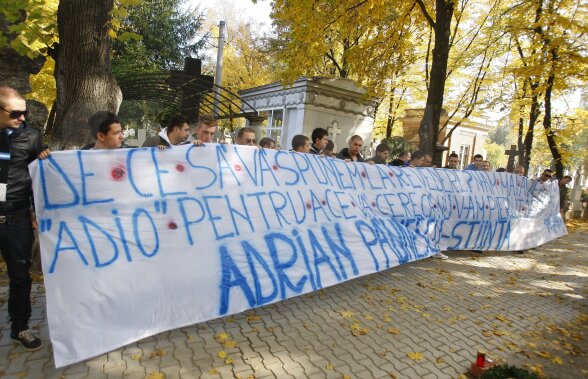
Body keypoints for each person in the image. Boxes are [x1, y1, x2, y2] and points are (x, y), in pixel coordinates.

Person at [0, 85, 50, 351]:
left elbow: (39, 176)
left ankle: (20, 328)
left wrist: (35, 211)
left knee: (20, 275)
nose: (21, 118)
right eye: (15, 113)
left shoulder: (30, 136)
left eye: (24, 113)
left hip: (15, 217)